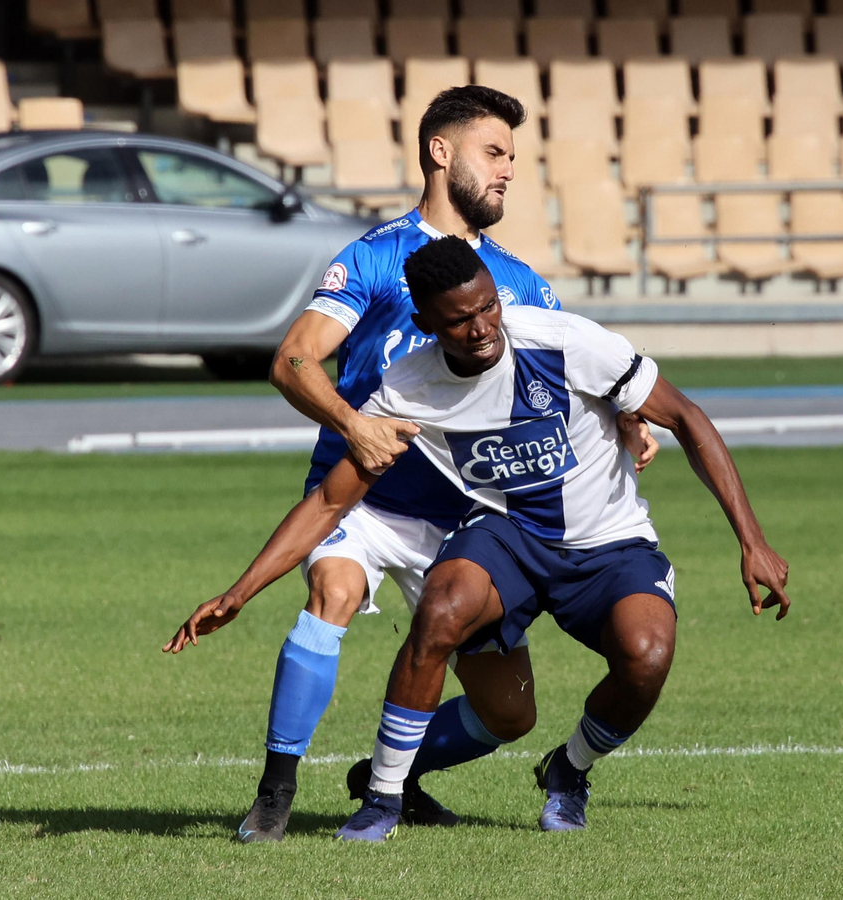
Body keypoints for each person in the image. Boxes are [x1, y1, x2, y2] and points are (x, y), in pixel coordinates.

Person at [166, 236, 791, 841]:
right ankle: (381, 797)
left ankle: (568, 771)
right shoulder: (409, 387)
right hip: (508, 534)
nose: (482, 327)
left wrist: (751, 539)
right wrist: (239, 592)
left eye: (488, 305)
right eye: (460, 319)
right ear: (425, 322)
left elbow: (685, 415)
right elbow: (332, 498)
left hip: (611, 540)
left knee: (645, 656)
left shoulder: (563, 340)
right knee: (439, 612)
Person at [161, 85, 655, 843]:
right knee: (331, 590)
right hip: (358, 500)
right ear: (440, 152)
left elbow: (569, 387)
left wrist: (627, 424)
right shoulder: (376, 258)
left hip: (467, 525)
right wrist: (353, 427)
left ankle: (389, 777)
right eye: (495, 153)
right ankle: (275, 792)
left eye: (513, 158)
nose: (508, 172)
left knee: (510, 713)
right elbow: (295, 361)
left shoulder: (520, 286)